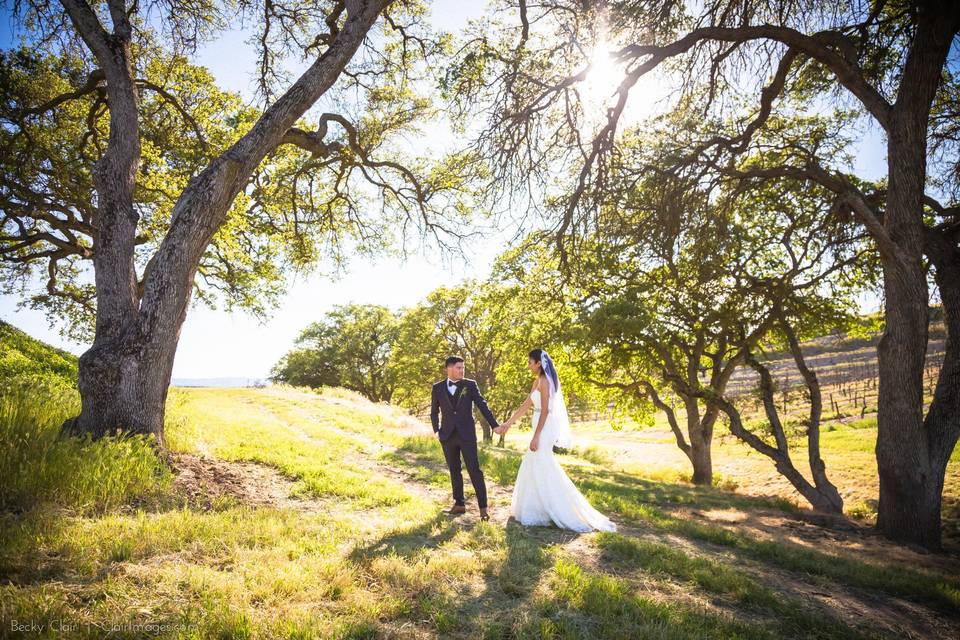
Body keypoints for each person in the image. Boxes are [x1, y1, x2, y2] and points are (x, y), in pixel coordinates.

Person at [495, 349, 616, 532]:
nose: (528, 366)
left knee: (542, 463)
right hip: (538, 425)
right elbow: (526, 405)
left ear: (538, 363)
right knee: (535, 463)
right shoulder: (536, 381)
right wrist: (508, 424)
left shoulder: (545, 382)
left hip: (544, 428)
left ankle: (559, 509)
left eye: (530, 362)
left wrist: (536, 436)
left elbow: (545, 411)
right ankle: (538, 509)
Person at [430, 356, 500, 521]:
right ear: (449, 368)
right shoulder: (438, 387)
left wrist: (494, 425)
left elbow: (482, 404)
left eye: (463, 368)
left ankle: (483, 508)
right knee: (454, 470)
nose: (462, 371)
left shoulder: (470, 385)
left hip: (467, 435)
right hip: (447, 435)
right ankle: (459, 504)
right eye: (459, 368)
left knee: (474, 470)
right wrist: (437, 431)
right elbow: (434, 411)